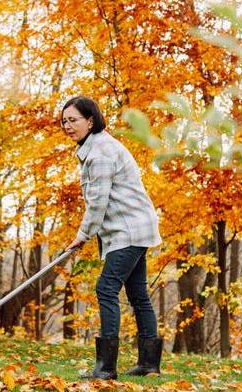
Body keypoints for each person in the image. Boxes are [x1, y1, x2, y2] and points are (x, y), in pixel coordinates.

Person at [62, 96, 163, 380]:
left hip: (129, 230)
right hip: (132, 228)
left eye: (74, 120)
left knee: (106, 287)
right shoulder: (95, 147)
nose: (68, 126)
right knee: (138, 293)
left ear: (90, 121)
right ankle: (149, 364)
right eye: (65, 121)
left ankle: (106, 368)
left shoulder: (100, 153)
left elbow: (98, 203)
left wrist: (82, 236)